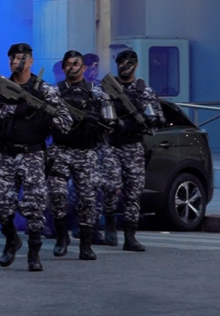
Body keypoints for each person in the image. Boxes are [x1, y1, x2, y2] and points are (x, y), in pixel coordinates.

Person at [0, 43, 72, 272]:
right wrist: (14, 110)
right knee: (0, 203)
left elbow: (66, 120)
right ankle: (11, 238)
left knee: (34, 205)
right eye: (12, 57)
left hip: (33, 153)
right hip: (5, 153)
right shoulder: (0, 88)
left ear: (30, 62)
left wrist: (47, 118)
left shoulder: (45, 90)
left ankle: (34, 252)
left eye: (20, 57)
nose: (15, 61)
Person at [47, 50, 111, 261]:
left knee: (87, 198)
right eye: (69, 63)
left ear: (84, 68)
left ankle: (85, 244)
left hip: (85, 152)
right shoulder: (53, 92)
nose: (73, 66)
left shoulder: (97, 93)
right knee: (57, 193)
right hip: (61, 149)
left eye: (77, 63)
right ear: (64, 68)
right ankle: (62, 236)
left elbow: (110, 122)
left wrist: (96, 124)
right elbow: (42, 119)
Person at [99, 49, 164, 252]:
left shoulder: (144, 91)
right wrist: (112, 123)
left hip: (133, 145)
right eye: (121, 63)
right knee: (110, 186)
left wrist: (154, 120)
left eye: (128, 63)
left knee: (134, 192)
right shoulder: (107, 89)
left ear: (135, 65)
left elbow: (158, 119)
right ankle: (110, 222)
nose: (124, 66)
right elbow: (98, 113)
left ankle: (130, 235)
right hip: (111, 144)